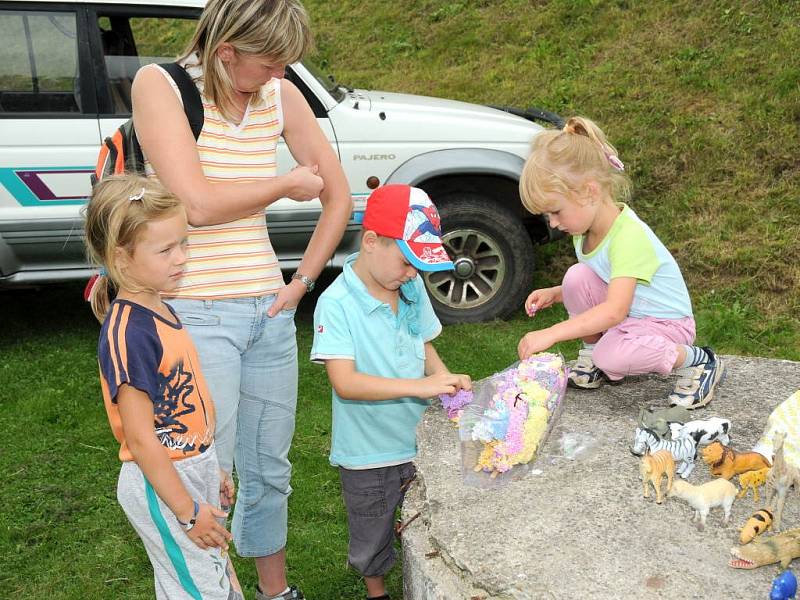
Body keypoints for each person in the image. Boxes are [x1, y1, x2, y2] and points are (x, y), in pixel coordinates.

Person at [131, 1, 352, 598]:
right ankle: (219, 589)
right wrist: (283, 183)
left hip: (268, 312)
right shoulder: (163, 86)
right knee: (208, 471)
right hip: (194, 312)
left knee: (269, 470)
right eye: (271, 62)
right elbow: (195, 206)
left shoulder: (279, 95)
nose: (280, 75)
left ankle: (275, 592)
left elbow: (339, 198)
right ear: (225, 52)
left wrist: (300, 284)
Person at [84, 175, 242, 600]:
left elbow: (187, 399)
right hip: (163, 483)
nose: (182, 258)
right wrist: (188, 512)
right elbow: (140, 437)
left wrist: (212, 465)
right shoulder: (129, 333)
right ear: (122, 257)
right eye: (166, 249)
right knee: (196, 590)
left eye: (184, 244)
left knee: (214, 578)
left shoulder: (161, 309)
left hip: (192, 468)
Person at [310, 184, 471, 600]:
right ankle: (376, 591)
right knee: (373, 531)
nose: (412, 274)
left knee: (426, 518)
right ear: (370, 242)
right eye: (406, 261)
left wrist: (445, 380)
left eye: (419, 265)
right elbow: (345, 382)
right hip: (369, 453)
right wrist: (421, 386)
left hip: (418, 440)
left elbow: (424, 344)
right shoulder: (337, 303)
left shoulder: (411, 289)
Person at [516, 116, 724, 409]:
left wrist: (551, 333)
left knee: (611, 355)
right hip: (632, 315)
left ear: (590, 191)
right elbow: (604, 278)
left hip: (665, 323)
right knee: (575, 277)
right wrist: (557, 293)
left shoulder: (628, 236)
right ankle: (592, 357)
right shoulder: (584, 230)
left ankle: (700, 361)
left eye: (556, 212)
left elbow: (614, 311)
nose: (553, 223)